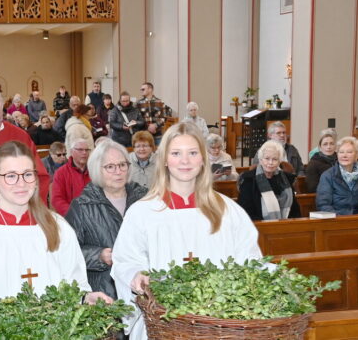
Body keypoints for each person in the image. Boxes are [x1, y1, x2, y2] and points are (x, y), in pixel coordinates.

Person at [0, 140, 110, 337]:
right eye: (11, 176)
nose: (21, 183)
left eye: (27, 174)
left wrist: (87, 298)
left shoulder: (58, 227)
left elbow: (75, 285)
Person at [111, 123, 262, 339]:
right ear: (164, 159)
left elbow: (250, 261)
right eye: (176, 153)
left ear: (203, 159)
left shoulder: (228, 211)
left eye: (192, 153)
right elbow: (125, 261)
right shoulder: (142, 212)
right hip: (162, 323)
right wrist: (135, 275)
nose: (185, 161)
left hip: (218, 324)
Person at [66, 139, 147, 300]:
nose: (118, 171)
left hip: (143, 289)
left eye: (122, 165)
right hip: (105, 294)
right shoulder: (82, 206)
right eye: (110, 167)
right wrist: (98, 255)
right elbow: (67, 254)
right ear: (97, 169)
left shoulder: (145, 199)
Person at [237, 140, 301, 221]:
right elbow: (246, 212)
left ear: (279, 162)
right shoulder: (248, 180)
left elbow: (295, 210)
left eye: (275, 159)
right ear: (260, 160)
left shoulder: (287, 179)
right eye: (267, 158)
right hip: (258, 225)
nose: (270, 163)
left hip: (285, 224)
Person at [316, 136, 358, 215]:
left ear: (357, 155)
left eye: (349, 152)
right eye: (341, 152)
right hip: (336, 220)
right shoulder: (327, 176)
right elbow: (323, 204)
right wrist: (341, 219)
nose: (344, 155)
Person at [50, 137, 92, 215]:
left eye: (87, 150)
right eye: (80, 150)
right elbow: (57, 200)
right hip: (71, 216)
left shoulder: (94, 171)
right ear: (72, 152)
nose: (84, 153)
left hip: (94, 215)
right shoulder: (61, 173)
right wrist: (74, 213)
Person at [304, 129, 338, 193]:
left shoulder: (340, 160)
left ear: (335, 146)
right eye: (325, 144)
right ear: (320, 147)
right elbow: (312, 188)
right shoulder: (313, 163)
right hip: (324, 195)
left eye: (331, 144)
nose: (329, 147)